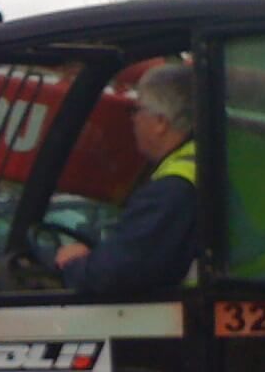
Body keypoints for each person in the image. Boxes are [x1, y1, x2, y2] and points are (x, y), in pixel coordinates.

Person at [55, 63, 199, 295]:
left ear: (161, 123)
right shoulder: (212, 155)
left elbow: (114, 276)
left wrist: (74, 264)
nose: (133, 120)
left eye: (137, 110)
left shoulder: (174, 188)